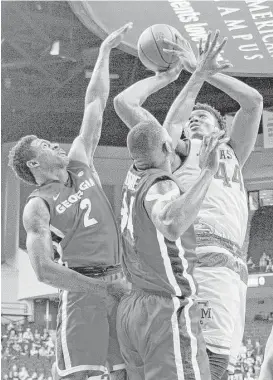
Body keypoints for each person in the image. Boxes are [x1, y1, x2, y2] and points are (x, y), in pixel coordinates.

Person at [114, 30, 263, 380]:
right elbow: (134, 109)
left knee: (221, 358)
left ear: (222, 128)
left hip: (233, 266)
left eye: (204, 116)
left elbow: (253, 101)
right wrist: (190, 77)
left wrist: (207, 70)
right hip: (202, 257)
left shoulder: (231, 153)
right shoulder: (179, 151)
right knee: (207, 360)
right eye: (192, 117)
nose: (195, 118)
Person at [8, 23, 133, 380]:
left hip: (119, 285)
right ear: (34, 164)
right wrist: (101, 287)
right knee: (79, 375)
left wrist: (106, 52)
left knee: (125, 373)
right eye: (46, 146)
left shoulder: (81, 160)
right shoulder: (38, 206)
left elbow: (94, 102)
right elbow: (44, 270)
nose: (56, 145)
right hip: (84, 292)